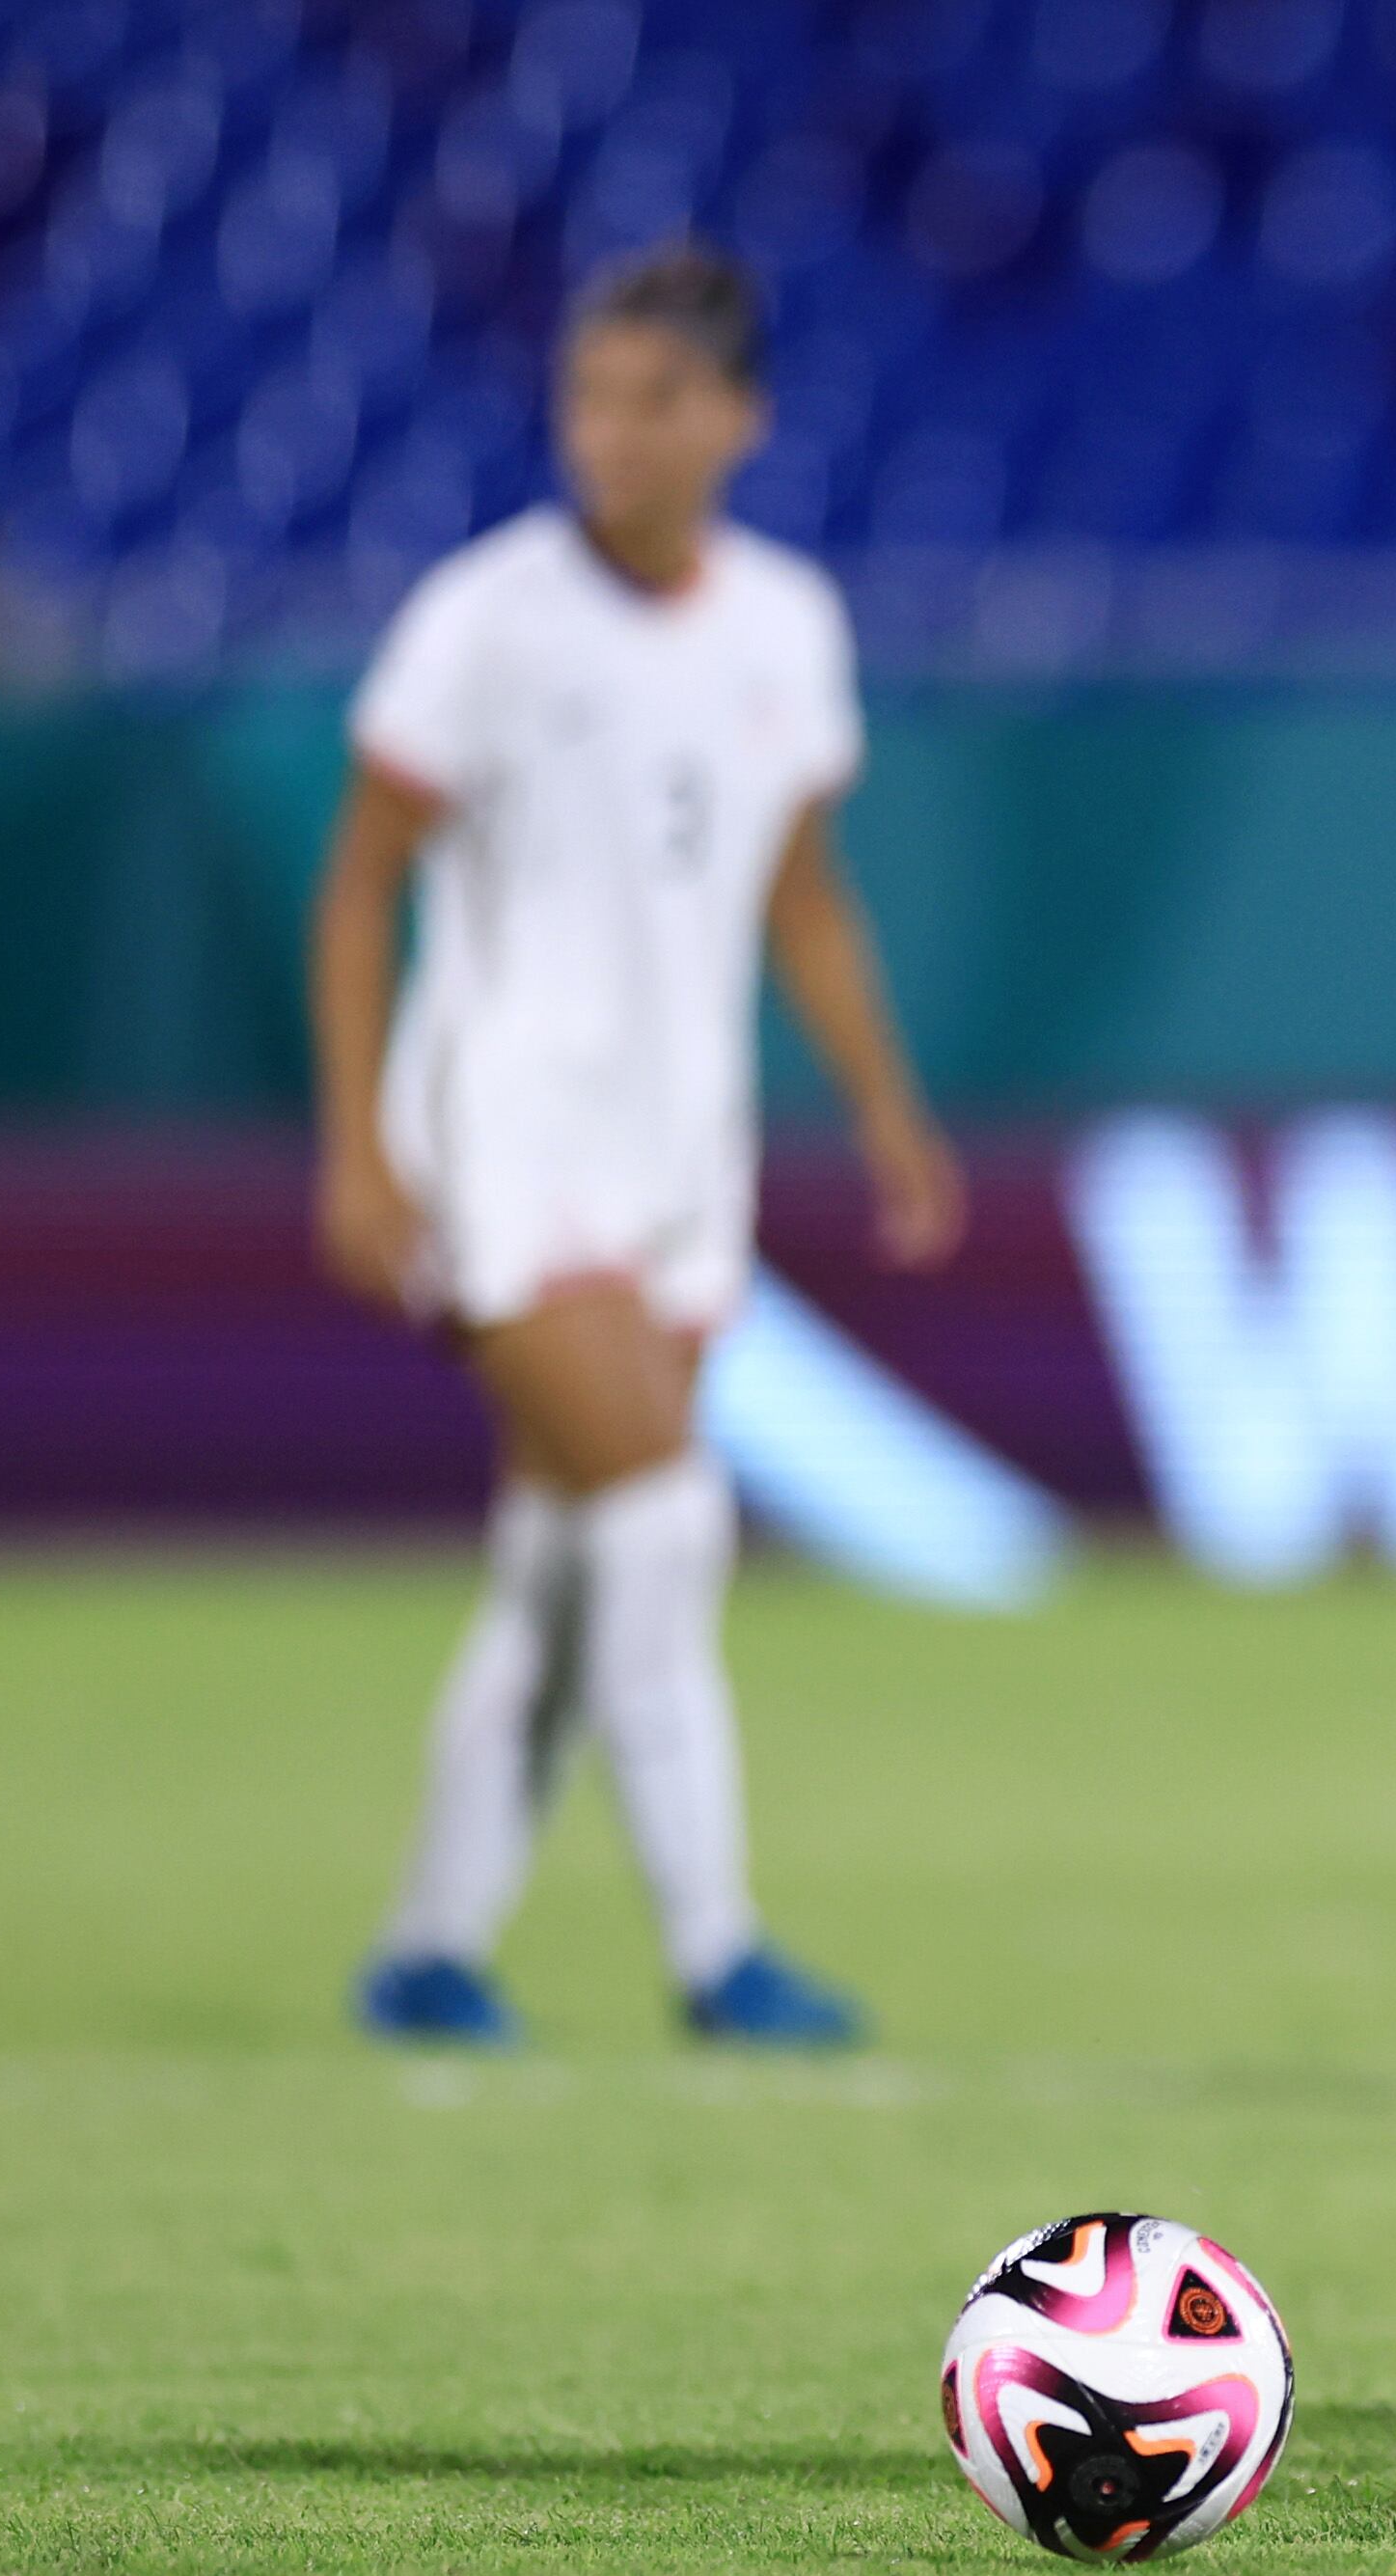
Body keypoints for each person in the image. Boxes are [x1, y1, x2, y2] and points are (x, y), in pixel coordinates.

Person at [308, 243, 963, 2049]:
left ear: (737, 420)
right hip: (503, 1143)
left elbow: (801, 898)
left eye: (653, 398)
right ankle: (718, 1956)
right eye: (590, 397)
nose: (613, 432)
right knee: (665, 1519)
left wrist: (889, 1115)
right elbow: (360, 888)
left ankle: (428, 1951)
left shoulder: (784, 627)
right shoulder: (488, 620)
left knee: (564, 1557)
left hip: (683, 1154)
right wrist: (363, 1148)